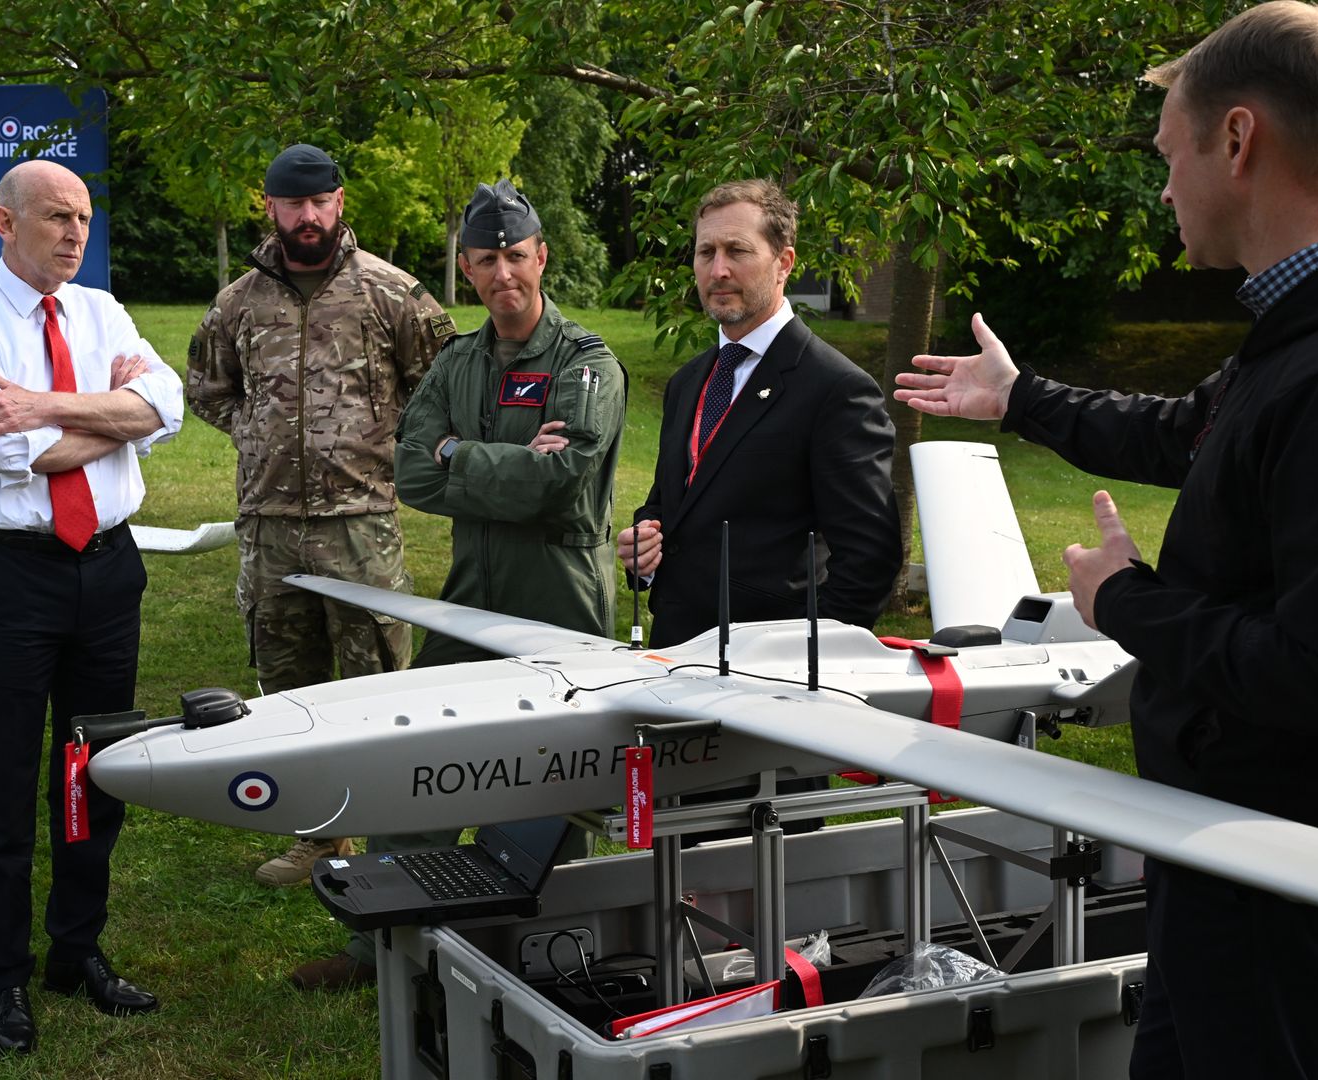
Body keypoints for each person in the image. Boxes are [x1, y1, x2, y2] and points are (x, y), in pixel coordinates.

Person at [894, 5, 1318, 1076]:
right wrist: (1022, 399)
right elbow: (1194, 433)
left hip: (1280, 850)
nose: (1164, 189)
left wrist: (1126, 601)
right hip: (1229, 831)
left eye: (1171, 155)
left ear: (1239, 139)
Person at [287, 180, 627, 992]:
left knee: (555, 776)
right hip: (472, 593)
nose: (503, 273)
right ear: (466, 270)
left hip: (560, 598)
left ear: (541, 257)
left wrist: (458, 456)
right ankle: (383, 949)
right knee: (419, 754)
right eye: (485, 260)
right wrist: (485, 461)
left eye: (516, 256)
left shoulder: (587, 364)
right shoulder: (458, 362)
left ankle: (548, 954)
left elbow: (561, 482)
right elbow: (411, 471)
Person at [0, 159, 181, 1057]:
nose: (76, 233)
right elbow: (11, 454)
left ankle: (77, 950)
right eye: (55, 217)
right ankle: (3, 977)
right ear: (6, 223)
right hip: (15, 576)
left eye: (83, 216)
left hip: (109, 571)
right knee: (0, 781)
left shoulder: (102, 310)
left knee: (93, 766)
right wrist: (115, 416)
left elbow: (169, 406)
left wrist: (43, 405)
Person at [187, 143, 456, 888]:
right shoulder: (238, 302)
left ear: (339, 202)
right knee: (290, 689)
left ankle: (393, 834)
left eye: (319, 202)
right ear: (269, 206)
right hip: (270, 527)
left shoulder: (392, 293)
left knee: (378, 685)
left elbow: (443, 385)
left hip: (360, 523)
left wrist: (385, 440)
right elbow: (206, 387)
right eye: (292, 204)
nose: (307, 216)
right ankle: (317, 834)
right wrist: (256, 432)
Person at [614, 178, 902, 836]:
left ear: (784, 261)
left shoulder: (835, 388)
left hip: (771, 706)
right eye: (705, 252)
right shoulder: (689, 382)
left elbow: (870, 557)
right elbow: (672, 505)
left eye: (737, 251)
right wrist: (645, 545)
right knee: (676, 873)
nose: (717, 269)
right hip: (674, 678)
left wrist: (804, 674)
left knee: (768, 890)